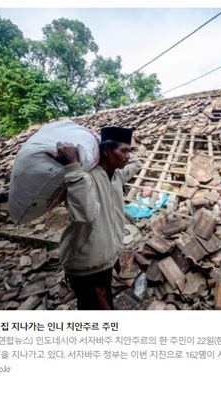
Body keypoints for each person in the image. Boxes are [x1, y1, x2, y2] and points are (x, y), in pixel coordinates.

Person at [47, 126, 142, 309]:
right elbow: (86, 214)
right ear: (106, 151)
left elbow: (137, 164)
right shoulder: (86, 177)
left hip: (104, 260)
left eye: (128, 151)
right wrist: (73, 168)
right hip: (87, 266)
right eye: (123, 151)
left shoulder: (116, 175)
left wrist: (128, 145)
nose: (128, 156)